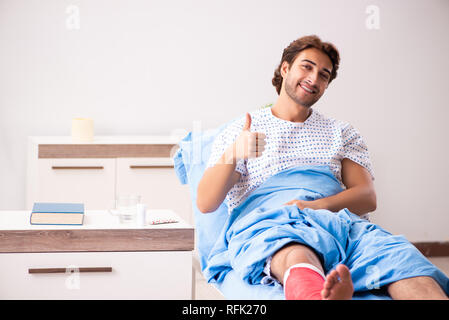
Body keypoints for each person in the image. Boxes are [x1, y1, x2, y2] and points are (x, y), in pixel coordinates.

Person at [196, 35, 448, 300]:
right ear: (285, 69)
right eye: (307, 66)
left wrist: (310, 207)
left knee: (402, 259)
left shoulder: (342, 132)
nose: (314, 78)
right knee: (294, 250)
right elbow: (206, 202)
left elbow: (366, 196)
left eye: (324, 75)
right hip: (274, 223)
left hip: (342, 225)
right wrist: (235, 152)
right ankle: (316, 294)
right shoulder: (243, 130)